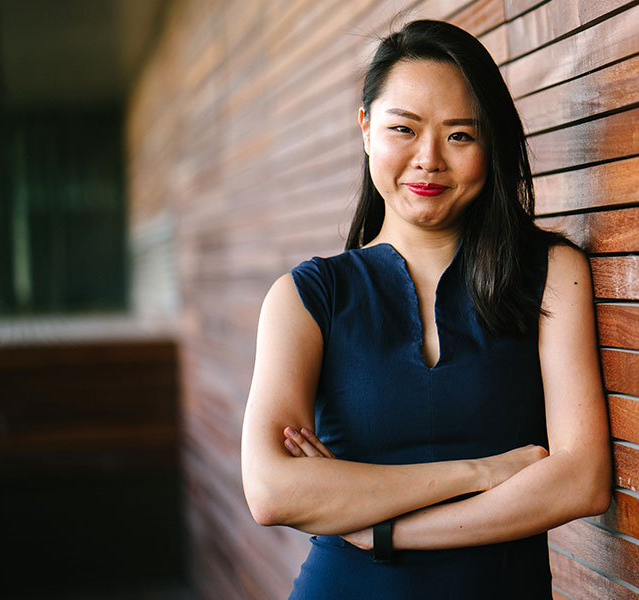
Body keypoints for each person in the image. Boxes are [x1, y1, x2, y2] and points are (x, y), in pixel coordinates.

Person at [241, 19, 611, 599]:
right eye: (403, 130)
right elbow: (271, 492)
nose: (429, 160)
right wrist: (484, 472)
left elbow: (581, 481)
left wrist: (378, 526)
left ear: (491, 143)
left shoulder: (549, 275)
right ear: (366, 130)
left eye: (460, 136)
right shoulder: (307, 297)